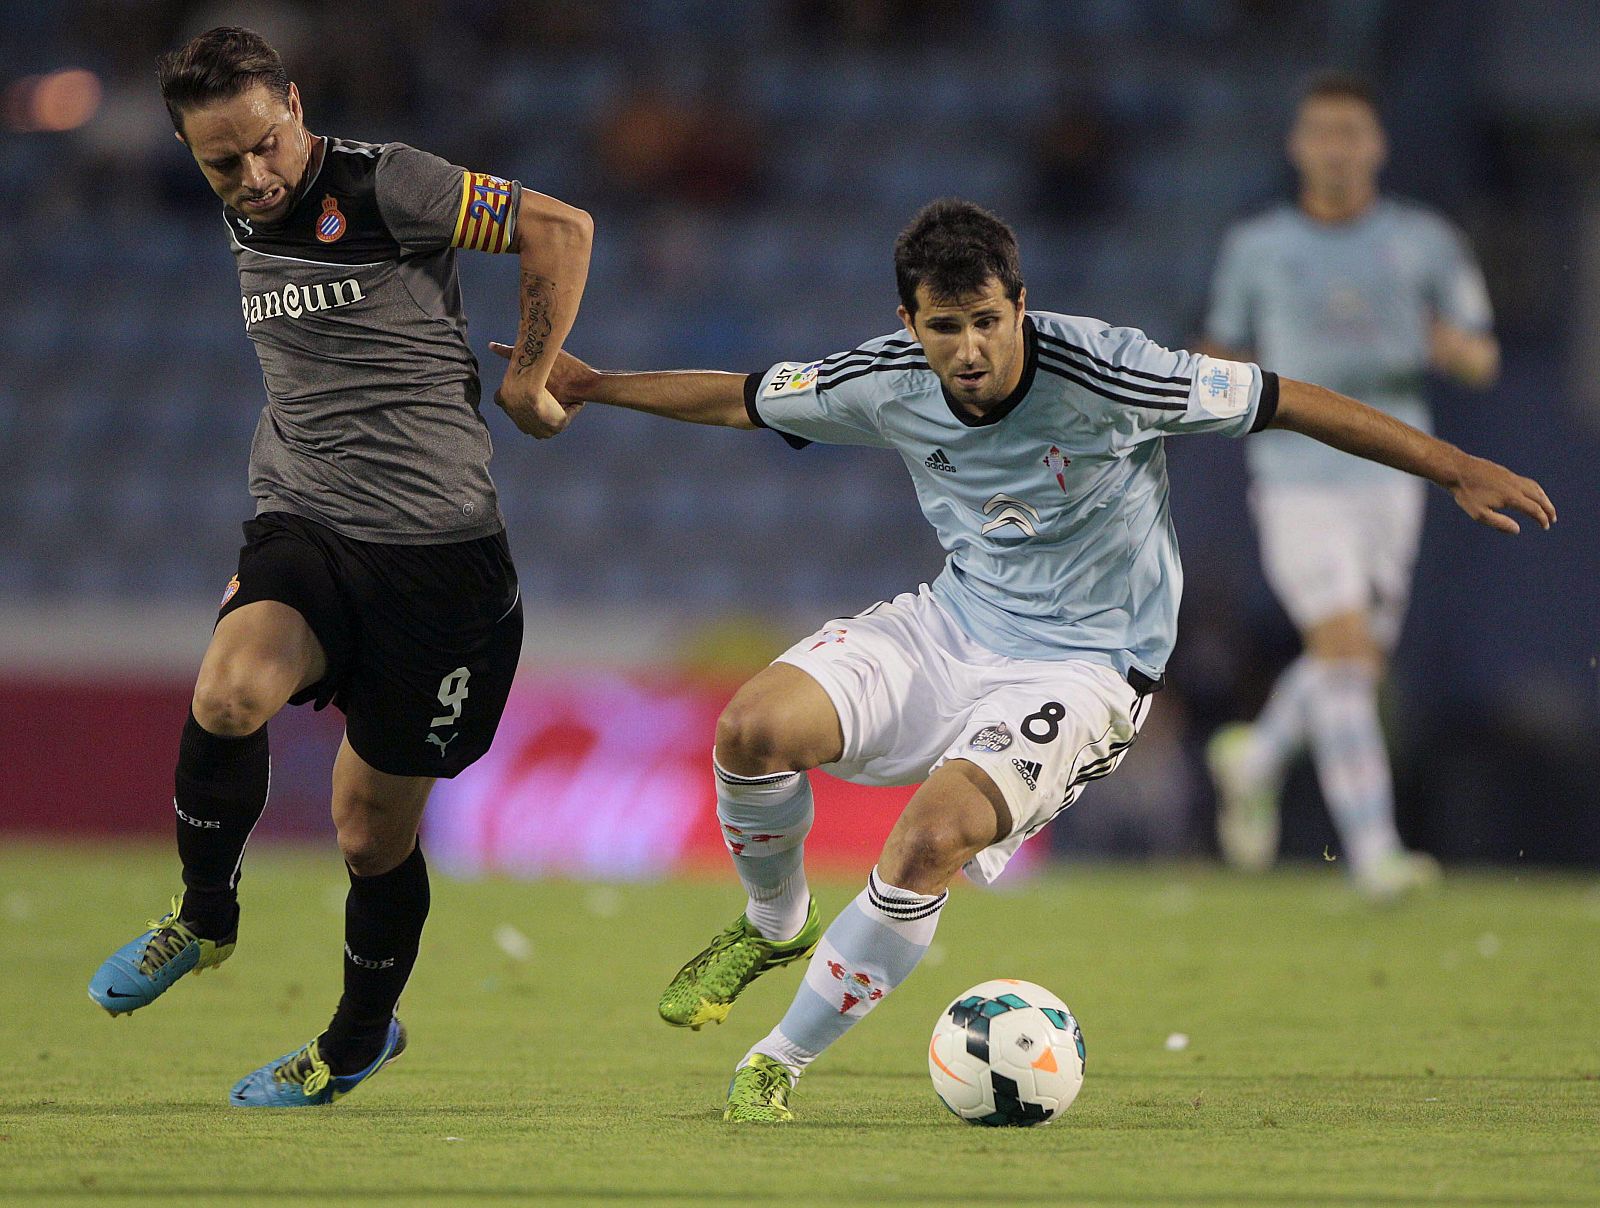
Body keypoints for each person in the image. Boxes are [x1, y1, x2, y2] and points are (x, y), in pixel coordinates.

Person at [502, 198, 1551, 1122]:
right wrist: (595, 386)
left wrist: (1453, 464)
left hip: (1088, 668)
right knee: (751, 728)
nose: (968, 350)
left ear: (1020, 304)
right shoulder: (881, 376)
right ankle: (773, 920)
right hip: (951, 623)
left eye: (988, 322)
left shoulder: (1111, 368)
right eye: (945, 326)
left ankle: (776, 1060)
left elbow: (1287, 398)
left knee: (930, 838)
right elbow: (740, 395)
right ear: (911, 323)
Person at [87, 26, 592, 1107]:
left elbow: (560, 224)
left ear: (298, 106)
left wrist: (529, 377)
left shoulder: (385, 183)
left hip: (439, 560)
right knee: (228, 690)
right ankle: (204, 915)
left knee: (370, 831)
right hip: (307, 518)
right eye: (222, 162)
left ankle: (360, 1034)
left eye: (268, 145)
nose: (253, 177)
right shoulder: (237, 199)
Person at [1202, 75, 1500, 897]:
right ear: (1299, 145)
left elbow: (1481, 353)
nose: (1336, 147)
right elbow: (1218, 351)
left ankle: (1255, 756)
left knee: (1355, 663)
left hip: (1396, 473)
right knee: (1340, 647)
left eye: (1351, 133)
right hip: (1295, 470)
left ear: (1376, 146)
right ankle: (1375, 855)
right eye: (1321, 132)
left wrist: (1441, 344)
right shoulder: (1257, 245)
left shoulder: (1426, 241)